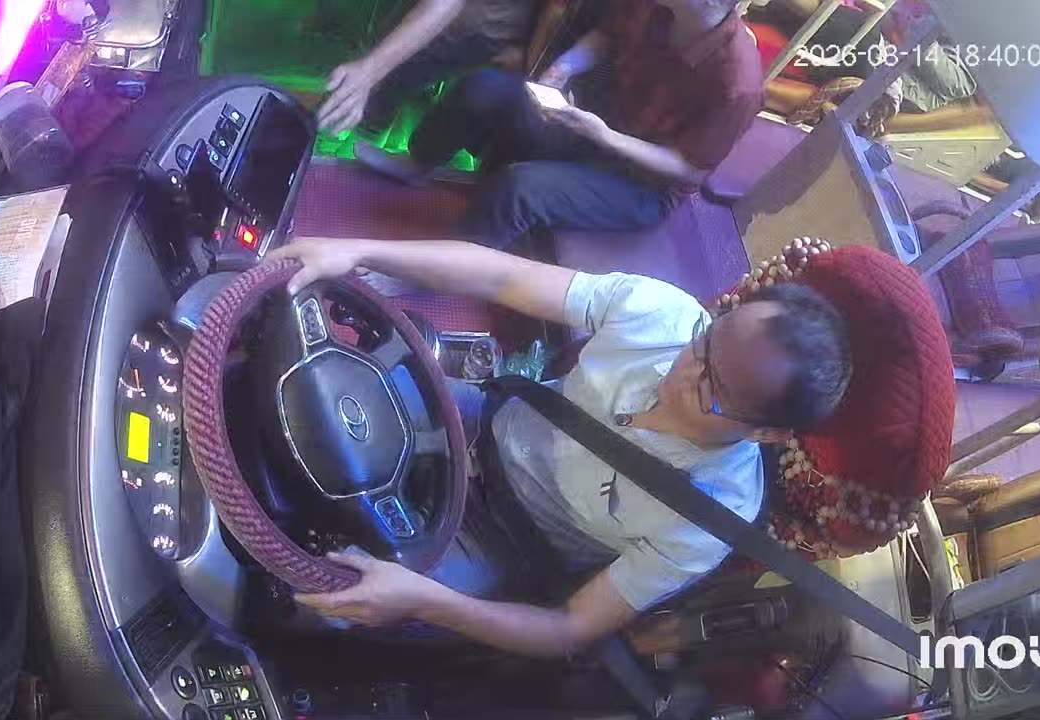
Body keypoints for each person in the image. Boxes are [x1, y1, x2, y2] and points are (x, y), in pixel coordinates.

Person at [267, 237, 852, 658]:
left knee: (314, 600)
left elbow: (570, 628)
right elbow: (502, 277)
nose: (682, 373)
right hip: (479, 421)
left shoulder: (712, 517)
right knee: (311, 390)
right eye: (706, 342)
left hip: (506, 542)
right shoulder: (664, 314)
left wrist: (420, 601)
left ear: (766, 433)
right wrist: (361, 251)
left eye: (712, 390)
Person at [353, 0, 763, 249]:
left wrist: (606, 137)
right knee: (486, 87)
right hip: (601, 126)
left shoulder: (737, 84)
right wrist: (563, 68)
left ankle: (443, 266)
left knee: (520, 188)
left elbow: (689, 169)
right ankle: (417, 163)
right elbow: (607, 35)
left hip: (643, 184)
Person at [317, 0, 539, 135]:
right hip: (461, 23)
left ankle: (359, 146)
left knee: (389, 84)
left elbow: (445, 4)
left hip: (475, 33)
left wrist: (368, 72)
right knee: (384, 74)